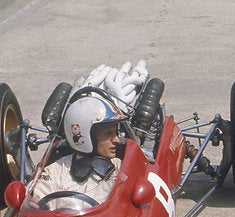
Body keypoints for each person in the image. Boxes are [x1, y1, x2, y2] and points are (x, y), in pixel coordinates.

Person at [31, 60, 148, 208]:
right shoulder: (54, 171)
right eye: (108, 134)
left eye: (116, 132)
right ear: (86, 136)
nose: (117, 140)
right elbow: (37, 204)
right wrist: (35, 205)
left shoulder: (122, 170)